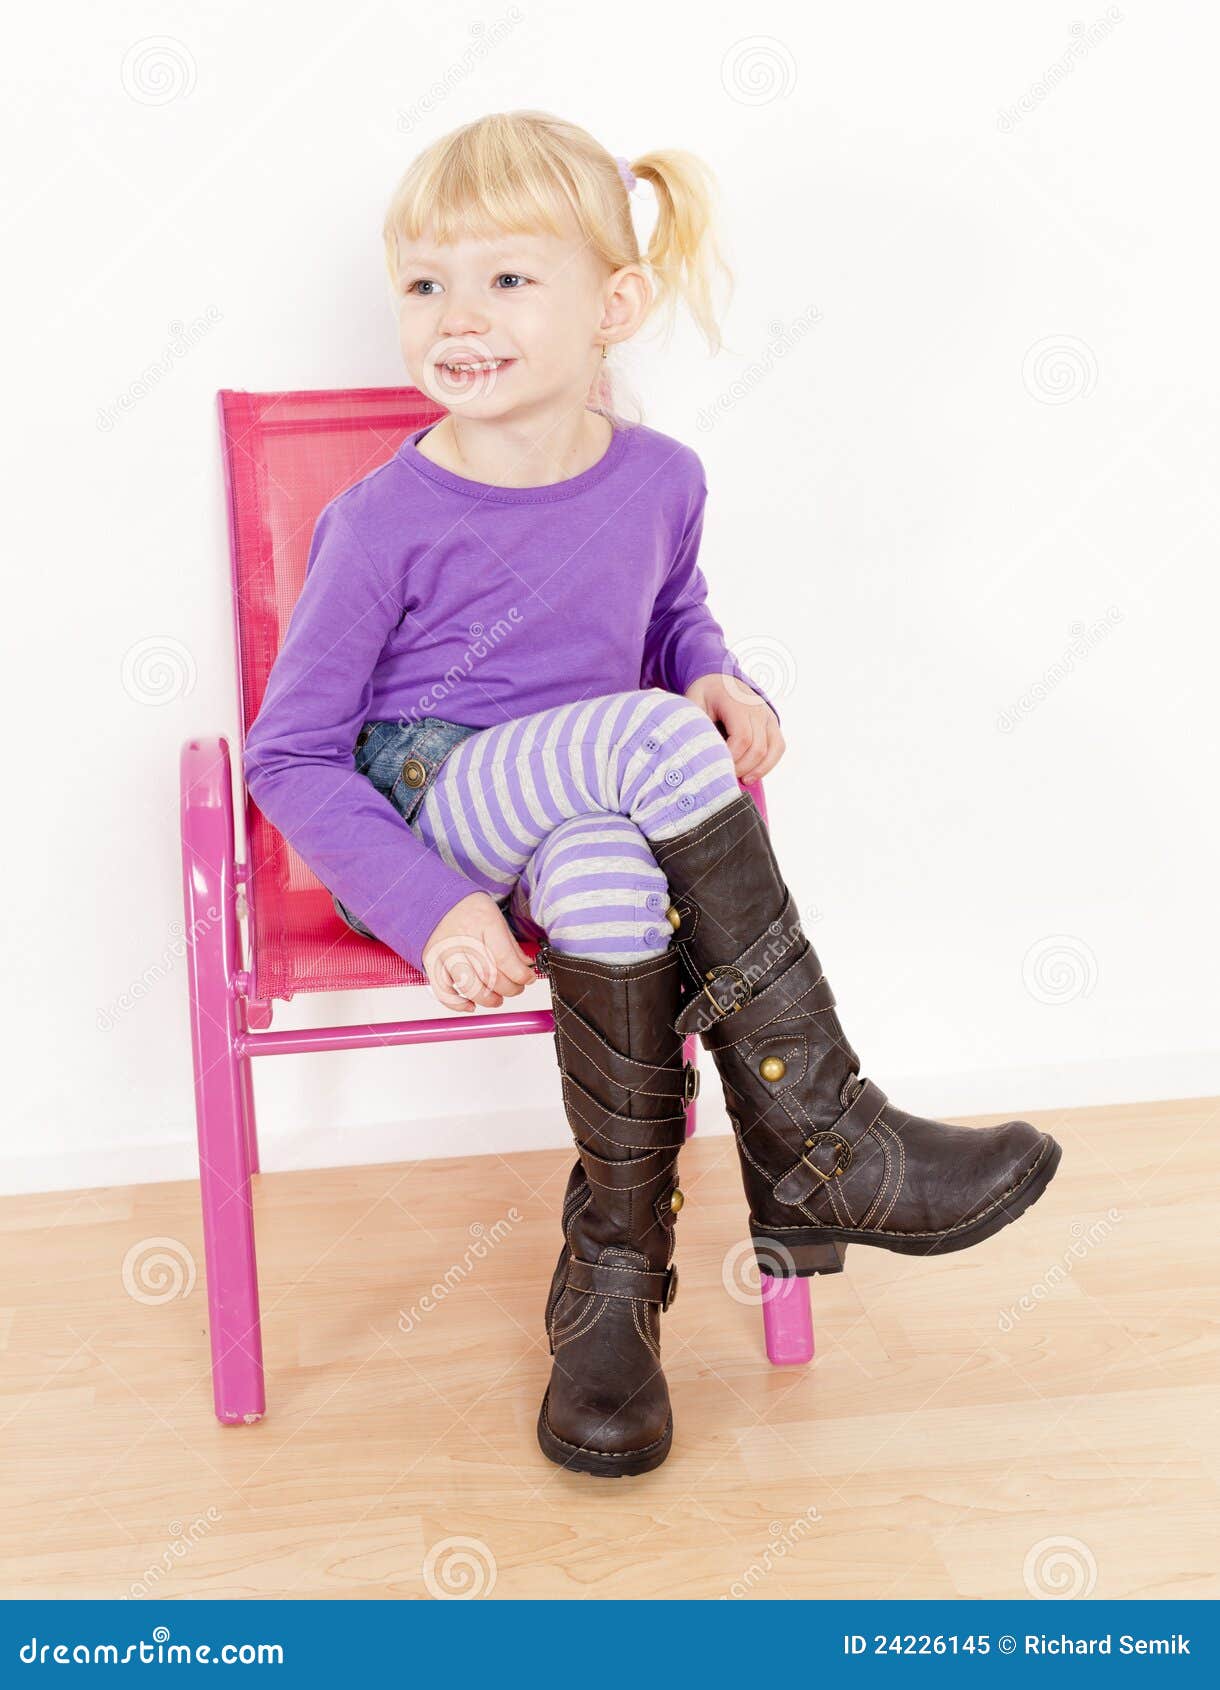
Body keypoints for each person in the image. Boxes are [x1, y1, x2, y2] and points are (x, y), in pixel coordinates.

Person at [242, 110, 1061, 1480]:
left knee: (613, 870)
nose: (457, 314)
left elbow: (675, 622)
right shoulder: (385, 518)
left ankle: (615, 1289)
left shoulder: (661, 478)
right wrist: (434, 903)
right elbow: (289, 753)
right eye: (426, 282)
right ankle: (822, 1135)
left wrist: (723, 682)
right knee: (631, 746)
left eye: (508, 278)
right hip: (438, 816)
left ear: (613, 303)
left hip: (587, 813)